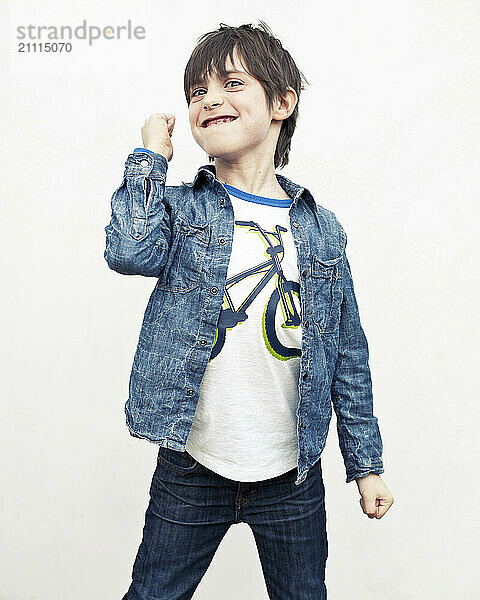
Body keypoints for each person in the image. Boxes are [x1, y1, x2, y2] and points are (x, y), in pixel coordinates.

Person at [105, 20, 394, 600]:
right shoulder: (183, 209)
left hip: (291, 472)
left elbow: (347, 353)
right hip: (194, 463)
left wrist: (366, 463)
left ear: (282, 103)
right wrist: (148, 159)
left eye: (231, 84)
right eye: (196, 94)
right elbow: (128, 250)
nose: (209, 99)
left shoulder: (321, 228)